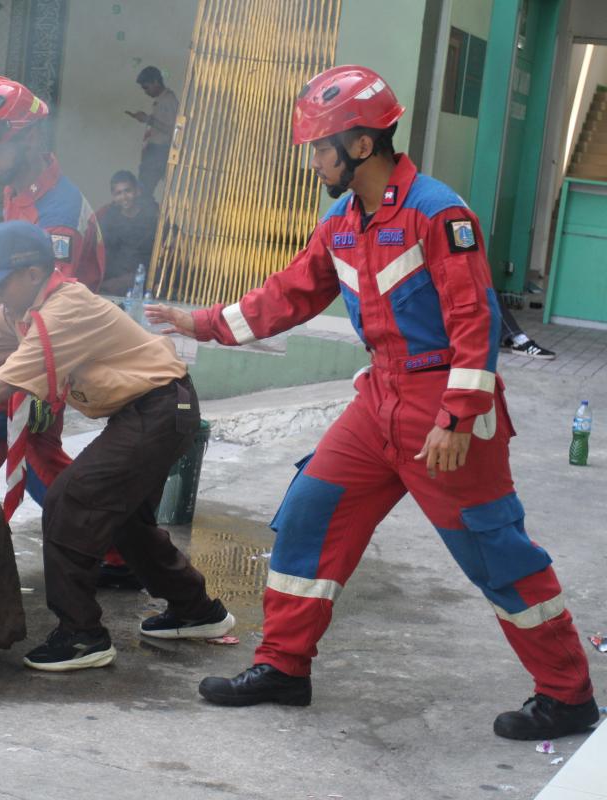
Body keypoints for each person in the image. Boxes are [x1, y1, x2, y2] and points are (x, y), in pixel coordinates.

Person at [146, 65, 598, 740]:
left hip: (442, 406)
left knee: (495, 551)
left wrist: (456, 417)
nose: (314, 162)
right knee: (309, 513)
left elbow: (475, 320)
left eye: (320, 148)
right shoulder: (340, 221)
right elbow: (289, 295)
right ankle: (282, 667)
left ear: (361, 145)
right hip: (378, 400)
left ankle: (568, 696)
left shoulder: (438, 213)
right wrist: (201, 323)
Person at [0, 221, 233, 670]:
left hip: (161, 409)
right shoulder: (18, 311)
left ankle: (82, 635)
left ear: (34, 273)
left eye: (2, 282)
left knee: (70, 501)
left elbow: (3, 383)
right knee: (126, 521)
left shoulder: (63, 309)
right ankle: (197, 611)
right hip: (149, 411)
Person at [0, 74, 105, 524]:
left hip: (47, 347)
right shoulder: (19, 188)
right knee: (35, 457)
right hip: (31, 338)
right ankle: (117, 547)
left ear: (29, 137)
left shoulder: (58, 215)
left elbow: (44, 313)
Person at [96, 170, 160, 296]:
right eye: (118, 193)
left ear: (137, 191)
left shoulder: (152, 215)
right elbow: (102, 253)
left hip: (147, 277)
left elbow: (170, 241)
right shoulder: (108, 218)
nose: (124, 197)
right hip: (117, 280)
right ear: (113, 196)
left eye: (127, 191)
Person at [126, 66, 179, 198]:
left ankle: (145, 210)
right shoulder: (161, 100)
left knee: (142, 192)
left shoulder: (168, 100)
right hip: (156, 152)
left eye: (146, 87)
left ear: (156, 82)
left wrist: (148, 119)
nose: (145, 92)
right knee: (143, 190)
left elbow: (174, 130)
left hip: (160, 151)